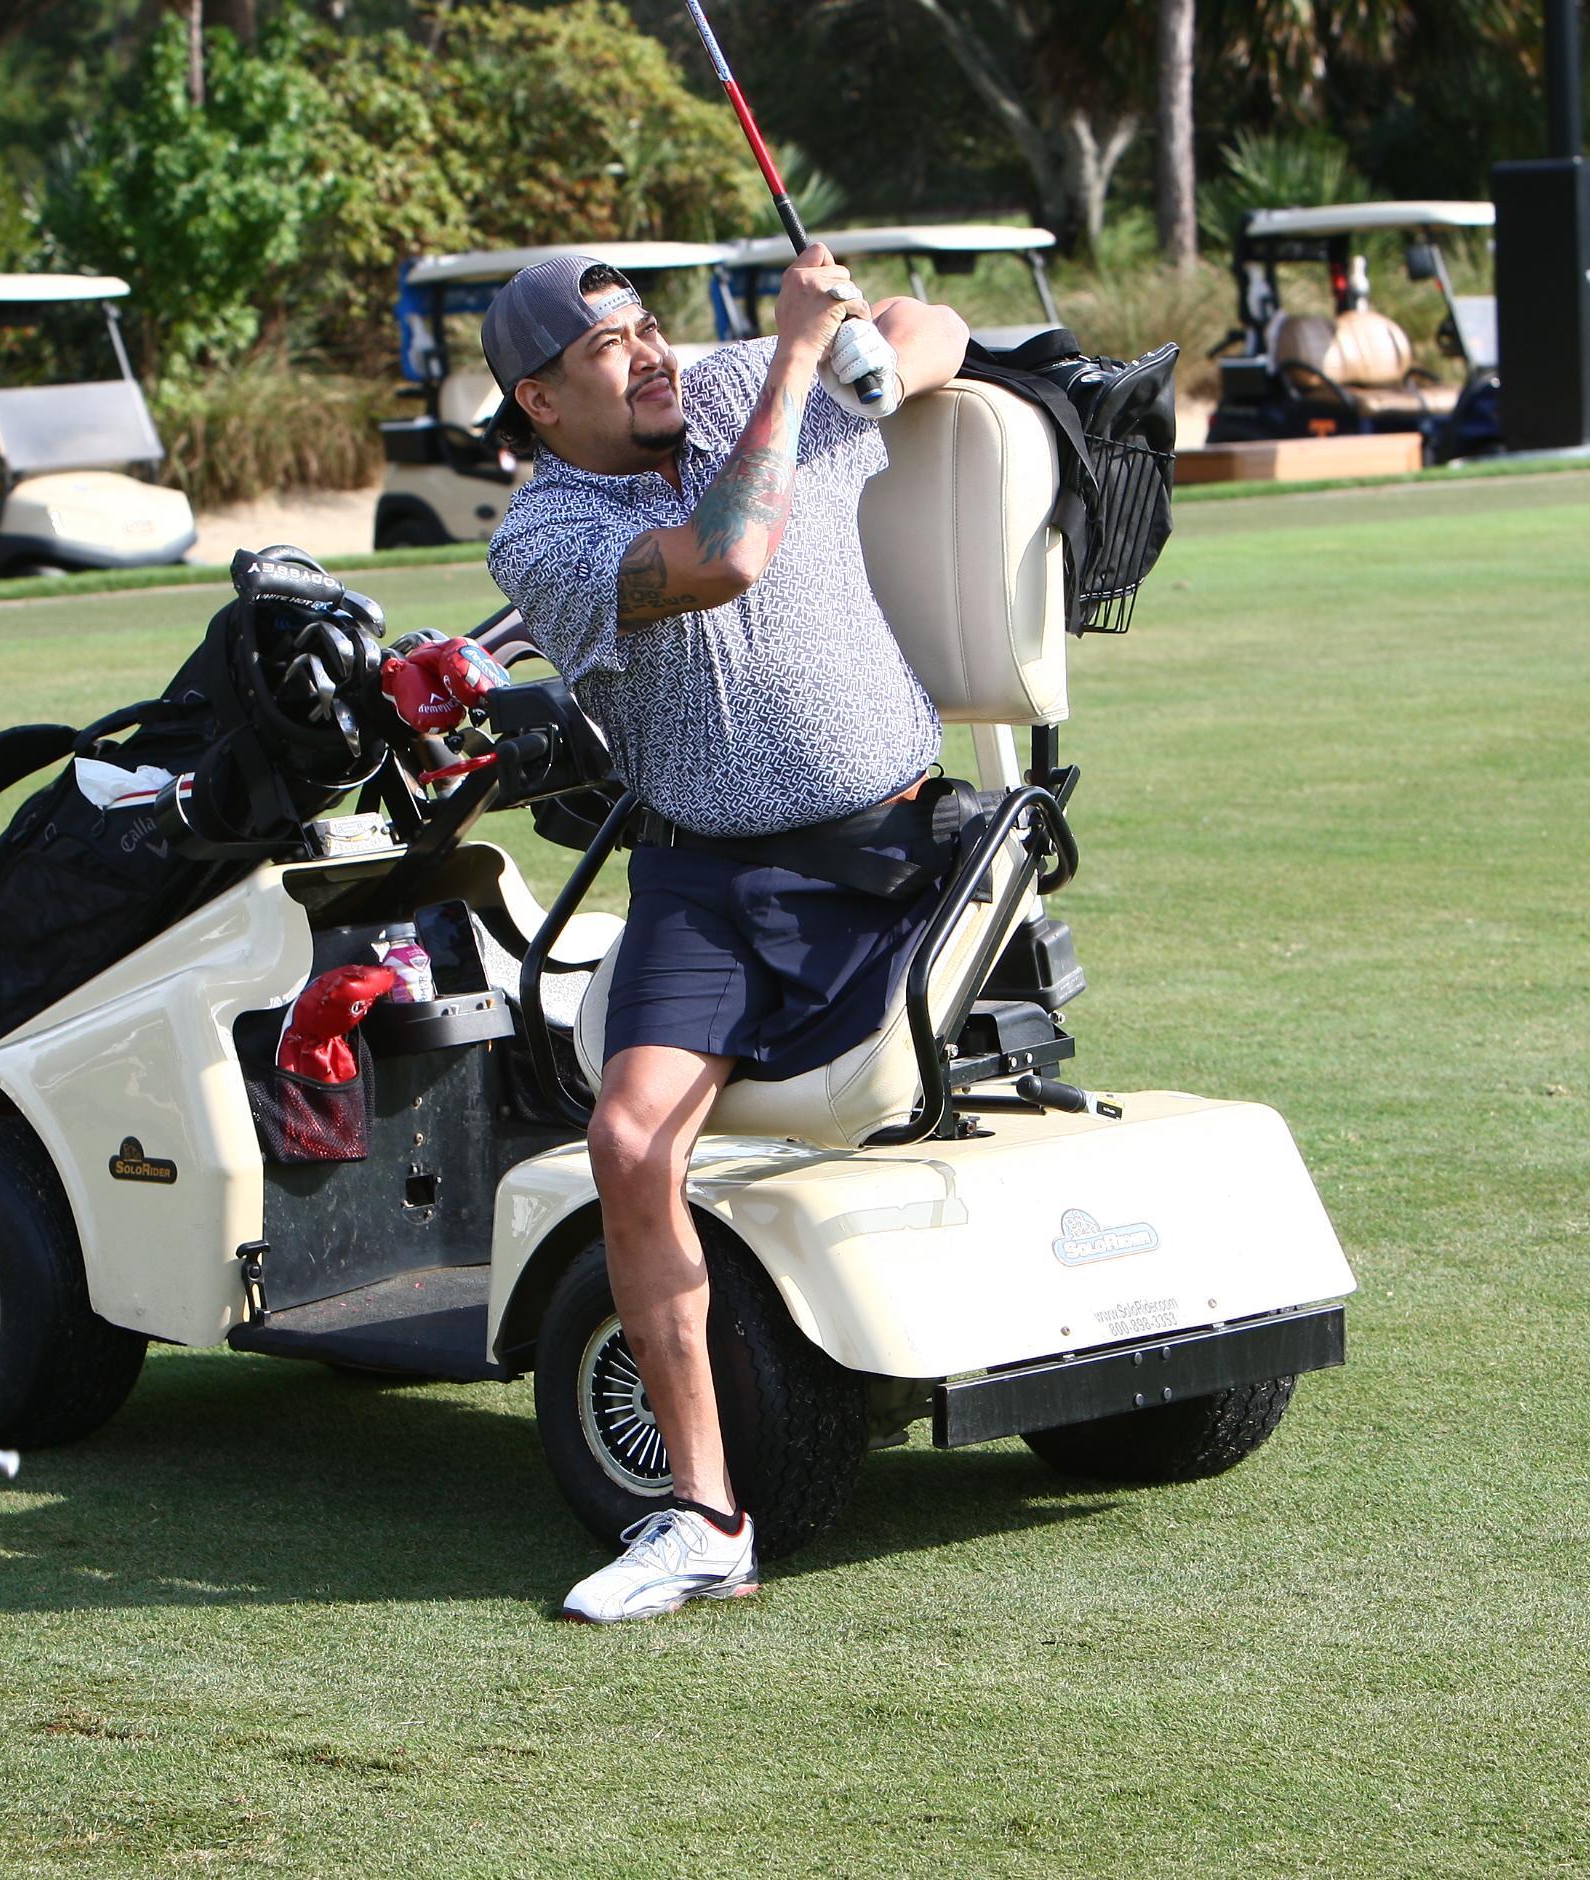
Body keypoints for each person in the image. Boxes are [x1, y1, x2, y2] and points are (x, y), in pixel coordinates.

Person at [482, 248, 968, 1624]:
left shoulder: (737, 382)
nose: (651, 354)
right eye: (607, 348)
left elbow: (936, 320)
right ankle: (702, 1517)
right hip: (702, 878)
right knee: (627, 1140)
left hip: (881, 850)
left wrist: (876, 353)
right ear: (540, 400)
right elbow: (724, 555)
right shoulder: (543, 534)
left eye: (648, 326)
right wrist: (804, 365)